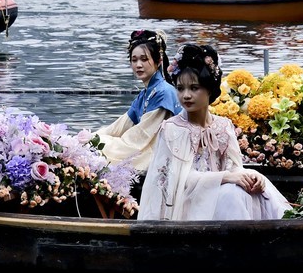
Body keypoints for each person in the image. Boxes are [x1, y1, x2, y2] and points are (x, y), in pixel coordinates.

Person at [138, 44, 290, 221]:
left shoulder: (224, 126)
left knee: (251, 187)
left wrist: (251, 178)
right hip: (187, 205)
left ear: (209, 90)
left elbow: (235, 168)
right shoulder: (172, 129)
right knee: (231, 193)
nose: (186, 95)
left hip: (222, 197)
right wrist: (225, 177)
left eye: (194, 88)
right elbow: (176, 181)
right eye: (180, 88)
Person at [94, 29, 182, 172]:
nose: (138, 65)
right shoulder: (145, 93)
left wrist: (99, 143)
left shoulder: (164, 92)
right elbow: (118, 127)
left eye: (144, 59)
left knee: (103, 152)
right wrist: (93, 137)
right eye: (134, 60)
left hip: (165, 154)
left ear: (158, 61)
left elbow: (139, 138)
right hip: (147, 147)